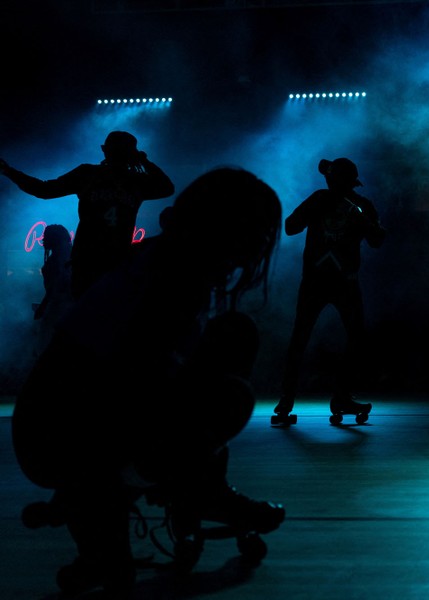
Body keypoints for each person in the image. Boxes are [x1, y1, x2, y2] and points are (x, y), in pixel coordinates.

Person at [12, 167, 286, 596]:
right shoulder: (176, 278)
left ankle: (168, 492)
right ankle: (171, 489)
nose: (257, 248)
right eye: (255, 234)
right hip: (64, 434)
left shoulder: (161, 260)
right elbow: (129, 380)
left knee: (225, 344)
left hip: (51, 424)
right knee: (229, 384)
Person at [274, 157, 387, 426]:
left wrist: (367, 224)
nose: (330, 182)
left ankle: (342, 398)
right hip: (315, 281)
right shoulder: (319, 199)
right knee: (299, 339)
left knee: (356, 338)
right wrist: (316, 207)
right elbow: (290, 227)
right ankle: (286, 401)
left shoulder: (362, 206)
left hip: (346, 282)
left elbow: (377, 240)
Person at [0, 131, 175, 298]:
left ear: (104, 150)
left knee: (88, 316)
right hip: (108, 259)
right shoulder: (134, 180)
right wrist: (143, 160)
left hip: (95, 259)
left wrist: (9, 172)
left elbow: (44, 189)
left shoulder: (92, 174)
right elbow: (167, 187)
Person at [31, 223, 74, 356]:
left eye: (45, 236)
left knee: (46, 344)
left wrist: (42, 307)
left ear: (54, 239)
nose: (42, 239)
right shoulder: (68, 255)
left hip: (58, 308)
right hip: (68, 307)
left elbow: (55, 288)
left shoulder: (57, 259)